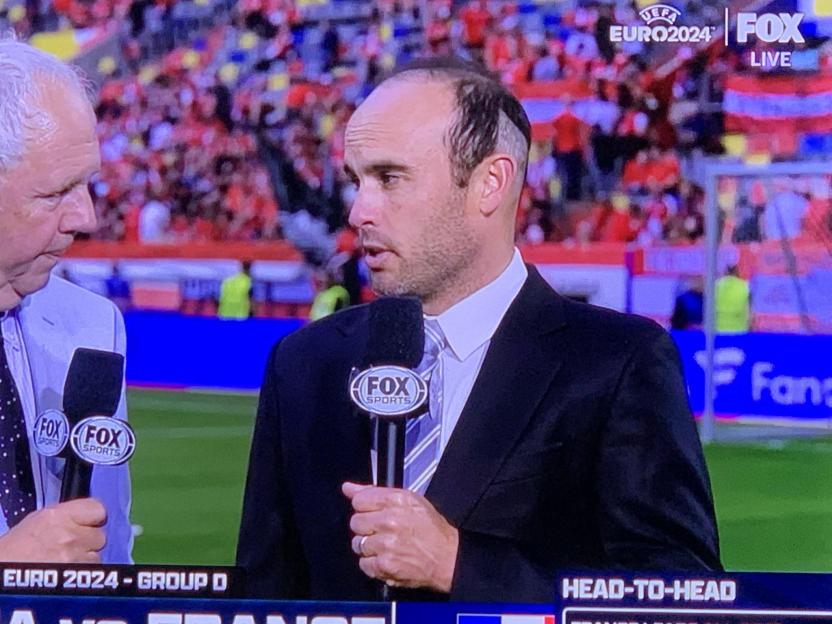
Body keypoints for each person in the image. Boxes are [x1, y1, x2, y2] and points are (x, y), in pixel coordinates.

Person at [237, 57, 720, 603]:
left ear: (490, 183)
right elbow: (264, 596)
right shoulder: (304, 363)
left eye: (389, 178)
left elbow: (683, 598)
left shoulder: (616, 363)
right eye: (356, 180)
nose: (358, 211)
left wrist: (459, 564)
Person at [0, 38, 132, 563]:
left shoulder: (93, 325)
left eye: (87, 186)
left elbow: (112, 545)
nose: (87, 218)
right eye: (56, 193)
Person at [715, 265, 751, 334]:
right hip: (739, 330)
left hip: (717, 329)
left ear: (725, 272)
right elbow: (749, 312)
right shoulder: (745, 286)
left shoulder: (715, 285)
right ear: (737, 272)